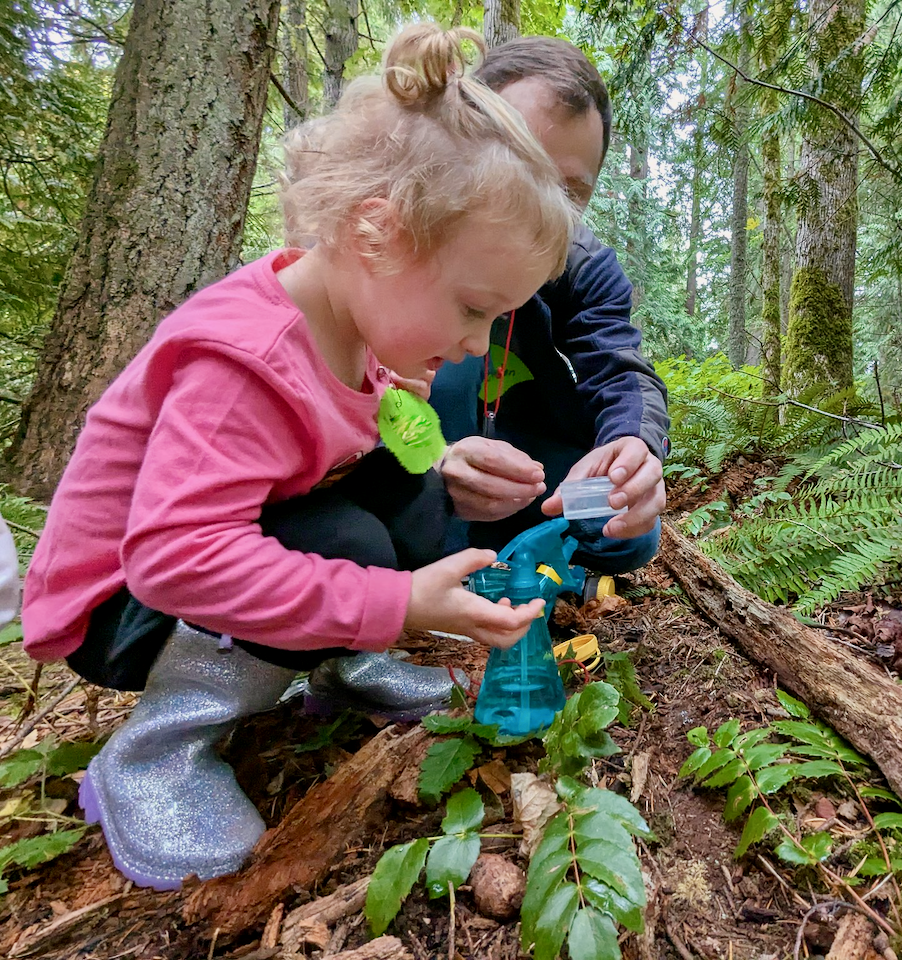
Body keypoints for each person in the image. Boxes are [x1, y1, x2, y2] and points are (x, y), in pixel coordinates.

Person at [20, 23, 578, 891]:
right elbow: (174, 556)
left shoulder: (360, 331)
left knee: (404, 460)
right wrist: (392, 602)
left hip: (192, 563)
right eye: (473, 309)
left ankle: (339, 660)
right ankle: (159, 750)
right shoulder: (244, 361)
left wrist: (449, 468)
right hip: (124, 601)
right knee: (346, 541)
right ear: (377, 235)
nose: (476, 343)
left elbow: (380, 439)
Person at [429, 38, 669, 581]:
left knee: (626, 527)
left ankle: (498, 544)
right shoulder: (404, 240)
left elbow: (620, 367)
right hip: (414, 457)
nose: (542, 208)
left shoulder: (583, 265)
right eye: (522, 168)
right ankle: (430, 532)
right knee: (454, 358)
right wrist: (432, 467)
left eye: (569, 191)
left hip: (525, 469)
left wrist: (633, 444)